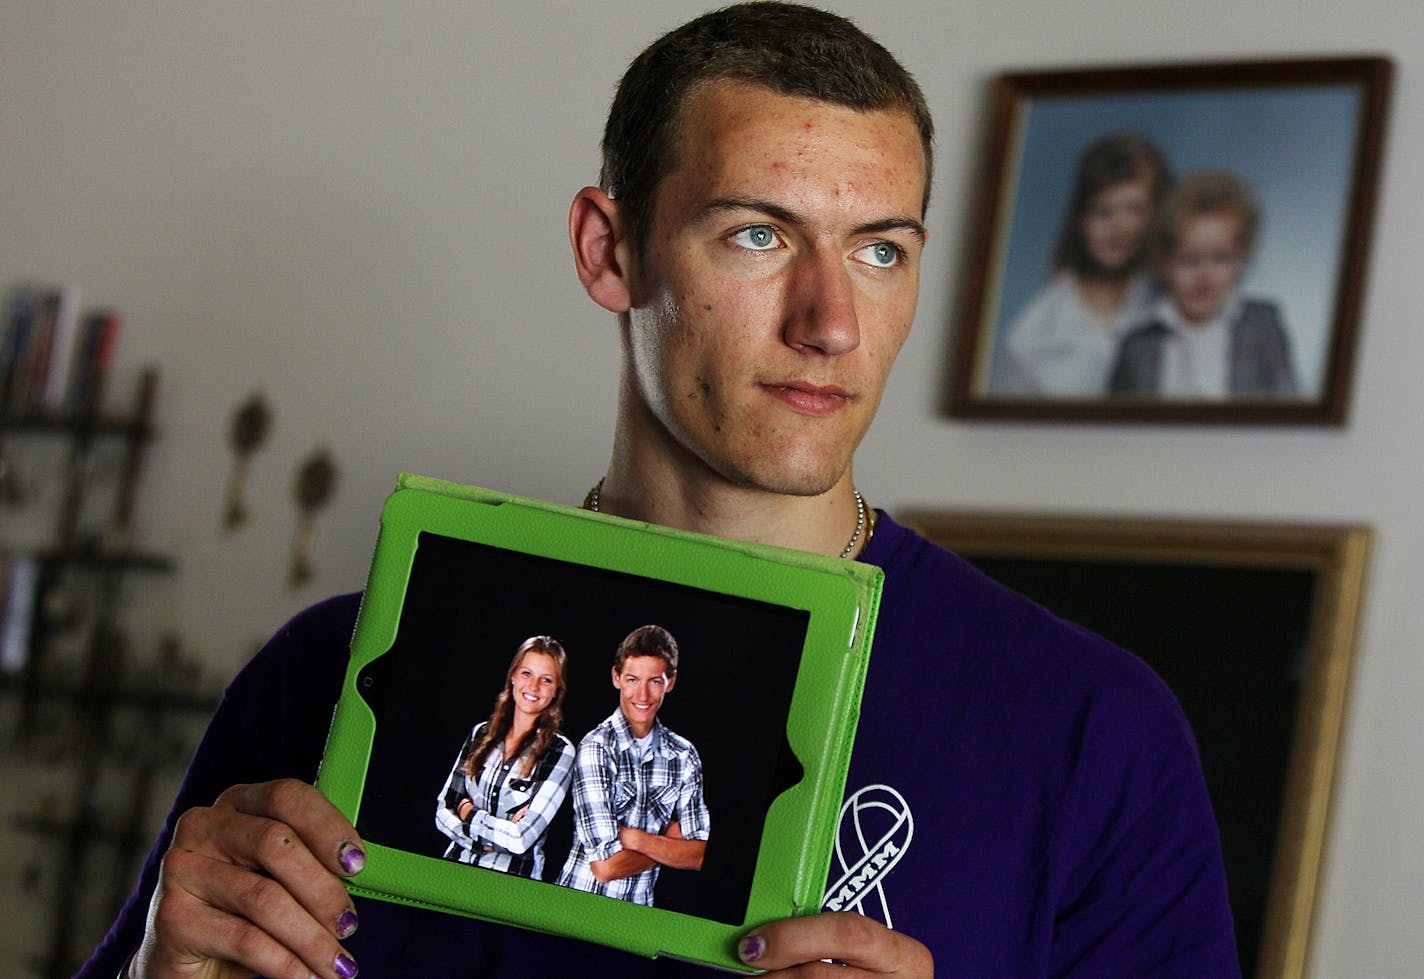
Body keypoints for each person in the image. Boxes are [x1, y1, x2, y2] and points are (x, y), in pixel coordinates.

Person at [79, 5, 1240, 978]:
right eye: (756, 235)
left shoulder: (1089, 731)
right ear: (609, 251)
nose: (830, 322)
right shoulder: (334, 674)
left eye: (879, 250)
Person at [993, 132, 1172, 396]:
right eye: (1103, 211)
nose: (1119, 227)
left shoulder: (1175, 305)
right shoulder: (1032, 333)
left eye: (1134, 209)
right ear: (1080, 219)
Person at [1110, 169, 1299, 399]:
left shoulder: (1262, 326)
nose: (1205, 276)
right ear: (1164, 263)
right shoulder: (1137, 346)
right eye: (1189, 261)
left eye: (1220, 258)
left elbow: (1288, 408)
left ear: (1241, 259)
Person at [557, 625, 708, 905]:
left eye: (654, 681)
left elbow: (698, 854)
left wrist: (635, 839)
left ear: (670, 682)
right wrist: (667, 840)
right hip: (575, 904)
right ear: (616, 678)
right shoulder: (596, 747)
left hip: (638, 916)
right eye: (632, 680)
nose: (642, 695)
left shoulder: (684, 755)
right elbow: (605, 868)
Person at [434, 635, 576, 881]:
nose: (533, 687)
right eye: (526, 674)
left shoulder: (560, 752)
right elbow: (443, 809)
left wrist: (468, 813)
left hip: (510, 886)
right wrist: (490, 834)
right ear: (512, 676)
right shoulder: (481, 733)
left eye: (546, 680)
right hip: (452, 871)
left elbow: (521, 839)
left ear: (556, 691)